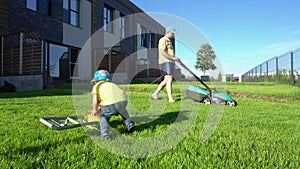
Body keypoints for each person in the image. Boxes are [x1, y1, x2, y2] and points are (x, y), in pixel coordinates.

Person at [89, 70, 135, 139]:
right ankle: (129, 124)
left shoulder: (96, 86)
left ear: (96, 81)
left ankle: (104, 134)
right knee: (123, 111)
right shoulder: (112, 84)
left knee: (104, 116)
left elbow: (95, 100)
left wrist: (94, 109)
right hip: (123, 101)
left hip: (111, 103)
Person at [151, 26, 180, 102]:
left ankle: (155, 94)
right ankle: (170, 98)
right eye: (172, 33)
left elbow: (169, 52)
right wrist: (173, 58)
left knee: (166, 80)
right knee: (169, 79)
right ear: (168, 32)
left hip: (170, 62)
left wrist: (175, 58)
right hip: (165, 61)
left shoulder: (169, 41)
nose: (174, 35)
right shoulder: (163, 40)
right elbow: (162, 52)